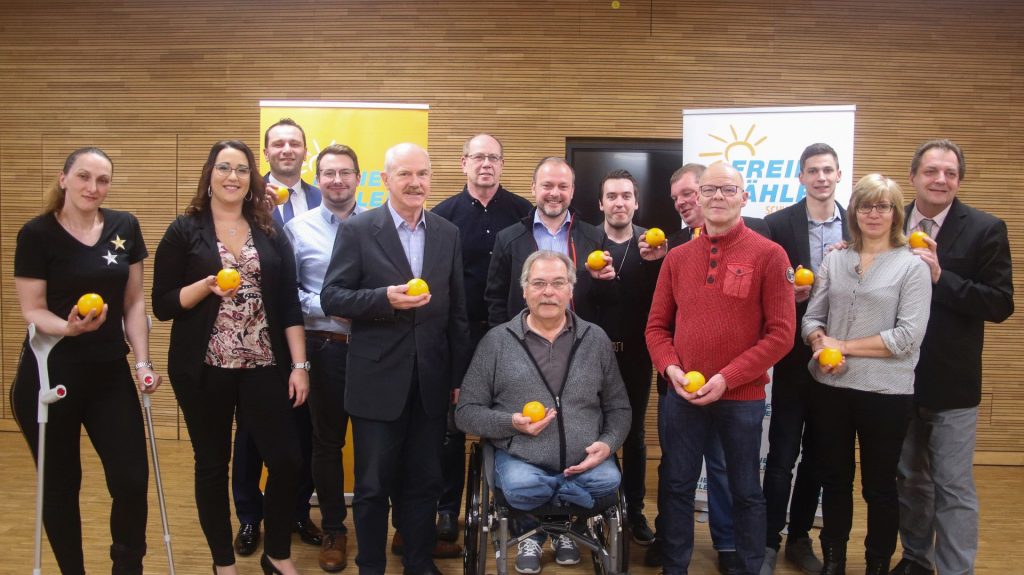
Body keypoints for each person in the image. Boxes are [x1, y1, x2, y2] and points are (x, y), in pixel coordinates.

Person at [152, 140, 308, 575]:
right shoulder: (184, 230)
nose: (233, 176)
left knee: (287, 459)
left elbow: (289, 305)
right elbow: (163, 304)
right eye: (224, 167)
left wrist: (299, 366)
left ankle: (276, 554)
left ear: (252, 180)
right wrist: (206, 286)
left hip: (264, 363)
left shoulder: (270, 232)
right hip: (203, 368)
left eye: (242, 169)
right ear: (209, 175)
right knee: (212, 464)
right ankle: (223, 563)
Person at [320, 143, 471, 575]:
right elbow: (332, 296)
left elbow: (457, 314)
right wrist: (383, 299)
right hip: (376, 383)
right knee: (371, 487)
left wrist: (457, 377)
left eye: (422, 174)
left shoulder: (447, 233)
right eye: (404, 174)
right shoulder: (359, 230)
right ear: (384, 180)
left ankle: (418, 563)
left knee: (424, 482)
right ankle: (371, 566)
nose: (415, 183)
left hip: (430, 383)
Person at [11, 146, 158, 575]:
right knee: (61, 485)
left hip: (109, 371)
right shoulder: (37, 234)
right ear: (64, 180)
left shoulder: (124, 226)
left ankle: (127, 568)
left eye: (102, 180)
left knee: (131, 479)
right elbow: (32, 309)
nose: (93, 187)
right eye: (83, 177)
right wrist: (68, 327)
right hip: (50, 371)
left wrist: (143, 363)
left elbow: (133, 303)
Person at [646, 162, 795, 575]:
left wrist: (727, 378)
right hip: (683, 397)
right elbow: (656, 327)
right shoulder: (676, 258)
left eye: (727, 189)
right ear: (696, 198)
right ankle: (674, 568)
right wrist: (670, 369)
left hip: (741, 399)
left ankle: (749, 566)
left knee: (746, 490)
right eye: (708, 190)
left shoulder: (769, 255)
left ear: (744, 198)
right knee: (675, 488)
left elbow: (781, 334)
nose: (716, 197)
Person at [456, 250, 632, 574]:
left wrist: (607, 444)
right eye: (538, 283)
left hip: (585, 462)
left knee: (608, 479)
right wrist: (510, 423)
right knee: (523, 485)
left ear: (570, 289)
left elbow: (618, 406)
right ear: (524, 290)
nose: (548, 292)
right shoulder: (496, 342)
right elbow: (466, 412)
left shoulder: (595, 339)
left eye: (557, 283)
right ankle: (551, 527)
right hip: (523, 461)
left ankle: (554, 525)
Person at [892, 140, 1014, 575]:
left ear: (958, 180)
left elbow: (1000, 303)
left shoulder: (985, 228)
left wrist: (943, 278)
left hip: (953, 384)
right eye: (931, 172)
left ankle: (957, 570)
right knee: (910, 481)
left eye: (950, 173)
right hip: (895, 378)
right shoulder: (889, 221)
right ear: (913, 176)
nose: (940, 180)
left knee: (954, 486)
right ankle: (915, 559)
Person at [802, 173, 932, 575]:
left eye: (883, 206)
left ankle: (877, 564)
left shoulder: (912, 266)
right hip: (831, 388)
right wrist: (820, 340)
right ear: (853, 212)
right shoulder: (835, 259)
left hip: (886, 392)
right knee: (834, 479)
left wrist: (843, 346)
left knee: (878, 487)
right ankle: (834, 561)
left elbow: (907, 336)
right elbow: (811, 318)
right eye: (865, 205)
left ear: (896, 214)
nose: (874, 213)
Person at [431, 133, 532, 547]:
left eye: (494, 158)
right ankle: (445, 509)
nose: (486, 164)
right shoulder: (441, 216)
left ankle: (507, 510)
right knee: (453, 425)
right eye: (478, 157)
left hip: (512, 336)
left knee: (507, 421)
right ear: (463, 163)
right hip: (457, 334)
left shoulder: (524, 213)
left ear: (502, 165)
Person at [232, 118, 323, 557]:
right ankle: (250, 518)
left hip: (313, 335)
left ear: (306, 152)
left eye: (295, 143)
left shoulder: (323, 198)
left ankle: (296, 512)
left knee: (304, 431)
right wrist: (258, 209)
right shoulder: (244, 200)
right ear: (265, 153)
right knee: (251, 431)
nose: (287, 149)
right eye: (278, 144)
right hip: (255, 337)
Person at [760, 143, 849, 575]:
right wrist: (788, 295)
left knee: (818, 455)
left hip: (843, 357)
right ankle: (767, 537)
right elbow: (764, 290)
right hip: (794, 357)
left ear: (838, 175)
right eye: (812, 170)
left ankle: (799, 538)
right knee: (781, 456)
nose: (821, 177)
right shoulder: (777, 225)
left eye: (828, 170)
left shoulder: (859, 226)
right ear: (800, 178)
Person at [283, 144, 367, 572]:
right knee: (327, 442)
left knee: (376, 443)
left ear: (358, 177)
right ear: (318, 180)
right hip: (324, 347)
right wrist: (325, 305)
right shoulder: (298, 229)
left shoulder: (378, 223)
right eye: (329, 173)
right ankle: (334, 526)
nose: (337, 180)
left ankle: (376, 526)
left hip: (373, 352)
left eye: (346, 172)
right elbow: (286, 293)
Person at [587, 169, 665, 545]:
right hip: (591, 357)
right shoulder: (584, 241)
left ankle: (634, 510)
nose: (619, 203)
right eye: (611, 196)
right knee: (594, 432)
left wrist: (656, 264)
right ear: (601, 203)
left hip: (636, 356)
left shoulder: (654, 245)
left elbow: (664, 301)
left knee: (633, 436)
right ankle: (599, 508)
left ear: (636, 202)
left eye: (626, 196)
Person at [485, 156, 604, 326]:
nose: (555, 193)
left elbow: (607, 300)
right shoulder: (507, 239)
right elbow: (495, 299)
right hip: (523, 342)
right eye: (547, 185)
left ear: (572, 191)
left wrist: (605, 282)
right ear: (533, 188)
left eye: (563, 186)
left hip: (579, 341)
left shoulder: (594, 238)